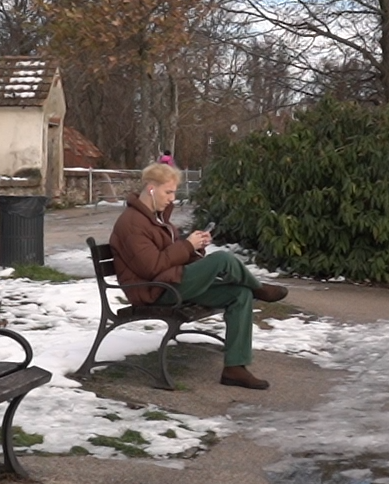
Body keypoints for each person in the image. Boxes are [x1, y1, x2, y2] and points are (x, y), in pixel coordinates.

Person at [108, 161, 285, 389]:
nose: (172, 198)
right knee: (222, 259)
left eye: (173, 192)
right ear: (151, 189)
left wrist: (196, 247)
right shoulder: (132, 223)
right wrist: (187, 246)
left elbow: (170, 256)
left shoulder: (156, 218)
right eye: (168, 192)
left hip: (169, 283)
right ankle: (259, 288)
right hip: (154, 292)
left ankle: (235, 369)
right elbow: (152, 267)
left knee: (240, 294)